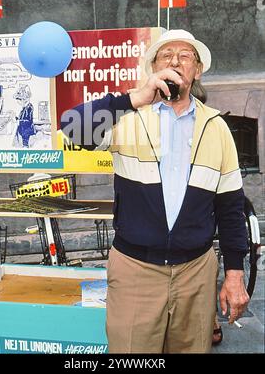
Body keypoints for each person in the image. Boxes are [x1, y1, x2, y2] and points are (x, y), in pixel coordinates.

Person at [60, 29, 249, 353]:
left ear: (197, 69)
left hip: (196, 273)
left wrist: (234, 273)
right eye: (166, 55)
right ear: (153, 68)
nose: (175, 60)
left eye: (185, 55)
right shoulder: (127, 118)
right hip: (135, 270)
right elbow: (72, 127)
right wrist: (134, 99)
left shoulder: (215, 127)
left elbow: (231, 207)